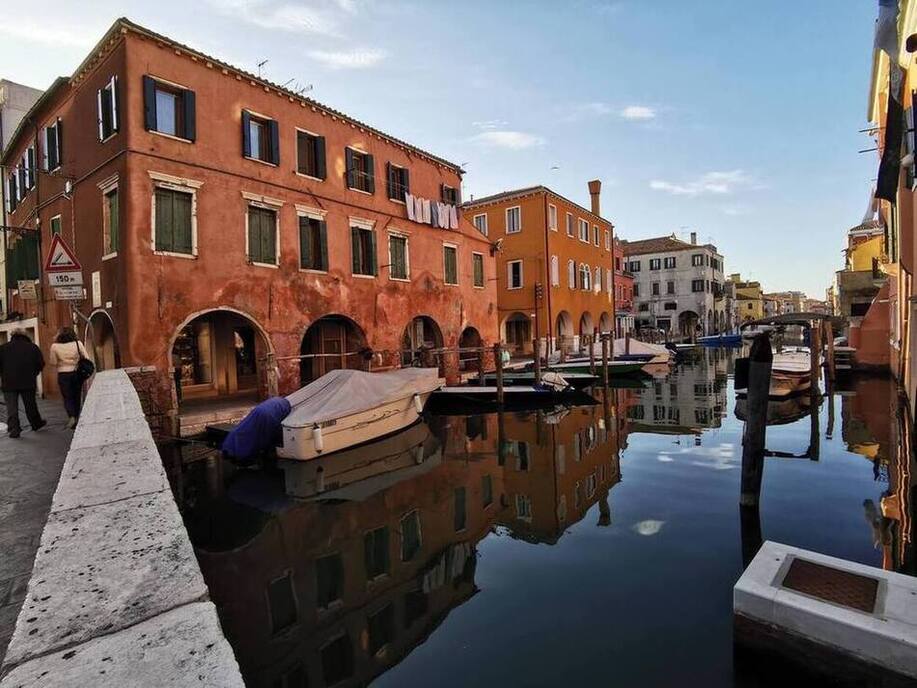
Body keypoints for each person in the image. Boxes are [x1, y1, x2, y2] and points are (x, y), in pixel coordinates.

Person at [0, 328, 47, 438]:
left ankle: (14, 429)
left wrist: (4, 374)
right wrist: (34, 373)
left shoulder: (3, 348)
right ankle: (35, 423)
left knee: (11, 407)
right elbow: (41, 363)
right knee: (30, 404)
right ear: (25, 336)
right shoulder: (33, 348)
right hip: (28, 381)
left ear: (12, 335)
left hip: (9, 382)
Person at [49, 327, 92, 429]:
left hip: (63, 374)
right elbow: (87, 358)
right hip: (77, 373)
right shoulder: (78, 344)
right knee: (76, 395)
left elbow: (53, 362)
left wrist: (62, 361)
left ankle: (71, 416)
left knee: (67, 397)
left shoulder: (54, 346)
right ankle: (77, 416)